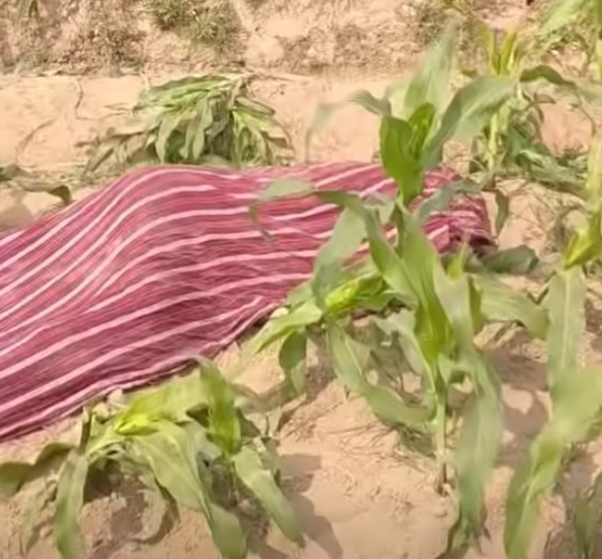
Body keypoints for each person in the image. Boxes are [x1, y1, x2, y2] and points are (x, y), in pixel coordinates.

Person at [0, 161, 491, 442]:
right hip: (153, 203)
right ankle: (404, 203)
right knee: (271, 221)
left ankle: (414, 216)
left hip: (158, 252)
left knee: (272, 247)